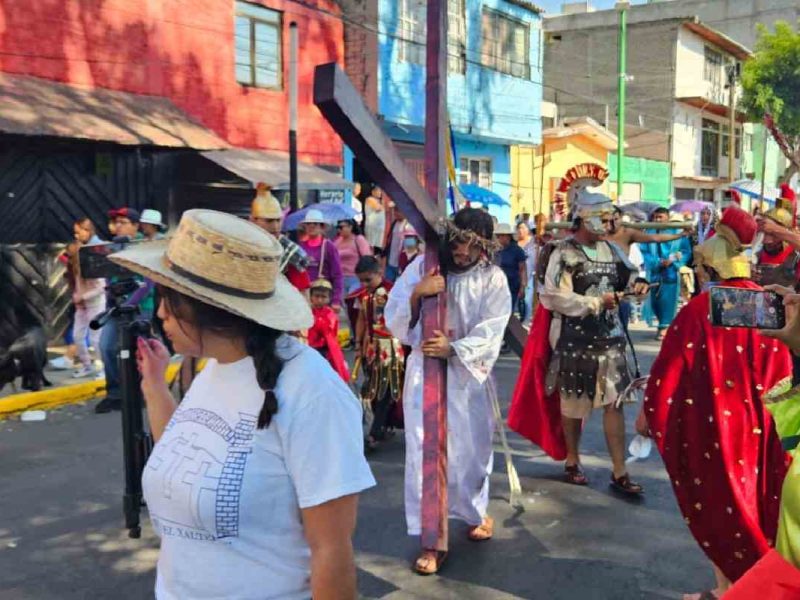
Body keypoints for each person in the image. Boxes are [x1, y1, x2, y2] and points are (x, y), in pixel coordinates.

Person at [110, 208, 375, 599]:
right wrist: (155, 387)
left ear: (208, 308)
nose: (160, 313)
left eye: (169, 298)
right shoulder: (216, 367)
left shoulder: (312, 392)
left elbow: (331, 550)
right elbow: (190, 452)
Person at [639, 206, 792, 600]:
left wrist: (649, 413)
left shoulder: (699, 309)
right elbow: (782, 371)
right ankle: (735, 586)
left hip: (715, 428)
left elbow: (670, 372)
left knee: (718, 504)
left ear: (712, 264)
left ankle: (733, 588)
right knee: (761, 501)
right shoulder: (770, 305)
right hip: (767, 423)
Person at [385, 207, 511, 575]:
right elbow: (393, 318)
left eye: (472, 247)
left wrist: (455, 349)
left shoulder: (493, 279)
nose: (462, 253)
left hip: (468, 378)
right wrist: (417, 296)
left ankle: (474, 511)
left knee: (471, 454)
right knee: (425, 454)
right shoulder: (423, 268)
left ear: (484, 247)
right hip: (426, 374)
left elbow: (493, 329)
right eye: (458, 243)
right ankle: (431, 538)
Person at [507, 191, 649, 495]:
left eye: (609, 216)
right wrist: (596, 302)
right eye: (602, 216)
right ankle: (572, 460)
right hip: (574, 339)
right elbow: (553, 295)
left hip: (611, 339)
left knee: (614, 404)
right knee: (573, 406)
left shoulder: (612, 251)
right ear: (584, 217)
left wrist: (638, 286)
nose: (608, 222)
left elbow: (631, 277)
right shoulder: (563, 252)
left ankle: (619, 471)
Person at [96, 207, 152, 413]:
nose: (117, 226)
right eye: (116, 222)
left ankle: (141, 392)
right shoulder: (112, 248)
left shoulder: (144, 247)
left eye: (123, 222)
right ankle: (115, 393)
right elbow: (108, 276)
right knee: (107, 347)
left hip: (139, 307)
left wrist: (129, 304)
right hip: (116, 307)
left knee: (138, 352)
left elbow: (148, 284)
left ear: (136, 226)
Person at [353, 256, 404, 450]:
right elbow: (360, 319)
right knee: (371, 391)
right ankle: (381, 427)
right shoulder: (363, 296)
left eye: (368, 279)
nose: (365, 284)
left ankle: (375, 432)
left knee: (385, 391)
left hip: (390, 348)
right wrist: (358, 344)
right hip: (370, 348)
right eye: (362, 280)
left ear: (380, 273)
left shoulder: (394, 292)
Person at [249, 183, 311, 294]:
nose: (275, 226)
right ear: (253, 220)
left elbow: (303, 294)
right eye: (269, 221)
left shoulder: (291, 253)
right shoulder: (242, 245)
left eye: (278, 220)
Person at [640, 207, 691, 340]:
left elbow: (686, 252)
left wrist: (673, 261)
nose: (657, 220)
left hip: (671, 273)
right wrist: (657, 262)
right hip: (654, 272)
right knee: (655, 302)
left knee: (667, 301)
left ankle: (664, 327)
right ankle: (664, 325)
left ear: (667, 218)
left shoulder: (677, 233)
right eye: (655, 217)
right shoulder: (649, 232)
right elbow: (643, 252)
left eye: (660, 217)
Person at [70, 218, 106, 378]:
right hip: (82, 304)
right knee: (77, 335)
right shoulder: (78, 256)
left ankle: (105, 368)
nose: (76, 236)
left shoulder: (94, 254)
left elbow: (101, 286)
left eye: (78, 232)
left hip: (96, 303)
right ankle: (87, 365)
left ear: (87, 231)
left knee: (95, 339)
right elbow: (78, 280)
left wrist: (83, 296)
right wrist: (77, 296)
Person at [334, 218, 372, 342]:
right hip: (341, 278)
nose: (339, 230)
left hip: (355, 278)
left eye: (342, 227)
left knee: (354, 306)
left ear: (350, 227)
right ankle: (353, 334)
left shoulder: (358, 240)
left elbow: (366, 256)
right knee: (347, 309)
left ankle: (359, 335)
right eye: (338, 228)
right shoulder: (337, 241)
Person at [299, 210, 344, 311]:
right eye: (308, 224)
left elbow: (337, 275)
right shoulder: (301, 247)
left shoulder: (329, 247)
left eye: (315, 224)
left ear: (322, 227)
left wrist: (336, 300)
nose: (311, 226)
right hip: (305, 295)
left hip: (323, 295)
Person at [307, 279, 349, 382]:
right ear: (311, 296)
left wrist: (315, 320)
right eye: (317, 296)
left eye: (323, 297)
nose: (320, 300)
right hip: (308, 348)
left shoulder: (330, 314)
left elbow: (325, 329)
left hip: (324, 350)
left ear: (329, 298)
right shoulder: (306, 311)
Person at [752, 207, 800, 289]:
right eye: (765, 233)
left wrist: (775, 229)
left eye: (771, 234)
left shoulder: (795, 254)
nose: (767, 241)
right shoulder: (756, 254)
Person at [495, 223, 527, 314]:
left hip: (512, 285)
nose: (498, 238)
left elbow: (523, 270)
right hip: (498, 286)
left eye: (501, 235)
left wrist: (522, 287)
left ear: (508, 236)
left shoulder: (517, 251)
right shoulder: (496, 250)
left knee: (508, 310)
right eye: (498, 236)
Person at [516, 221, 536, 322]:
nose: (521, 230)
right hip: (515, 276)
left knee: (527, 301)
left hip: (529, 276)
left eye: (523, 228)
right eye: (519, 228)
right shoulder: (515, 243)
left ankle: (525, 322)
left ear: (528, 230)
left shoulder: (533, 242)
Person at [384, 207, 408, 282]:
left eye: (398, 211)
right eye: (395, 211)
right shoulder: (394, 223)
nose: (396, 214)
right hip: (390, 263)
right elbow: (389, 241)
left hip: (401, 265)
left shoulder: (409, 226)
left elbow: (411, 249)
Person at [364, 185, 387, 255]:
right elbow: (377, 208)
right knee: (370, 246)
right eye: (378, 191)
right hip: (372, 228)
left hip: (379, 228)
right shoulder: (370, 199)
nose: (380, 193)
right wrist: (384, 203)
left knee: (378, 248)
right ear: (373, 192)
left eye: (380, 191)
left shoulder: (379, 201)